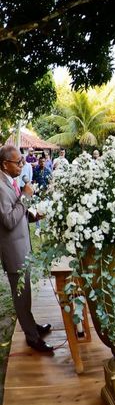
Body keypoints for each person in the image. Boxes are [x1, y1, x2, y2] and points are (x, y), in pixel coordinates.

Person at [0, 145, 53, 352]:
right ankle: (32, 338)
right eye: (18, 162)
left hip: (22, 245)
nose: (22, 165)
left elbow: (17, 213)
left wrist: (32, 216)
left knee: (26, 292)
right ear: (5, 164)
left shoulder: (9, 181)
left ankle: (32, 326)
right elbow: (9, 220)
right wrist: (26, 196)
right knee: (21, 295)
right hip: (13, 251)